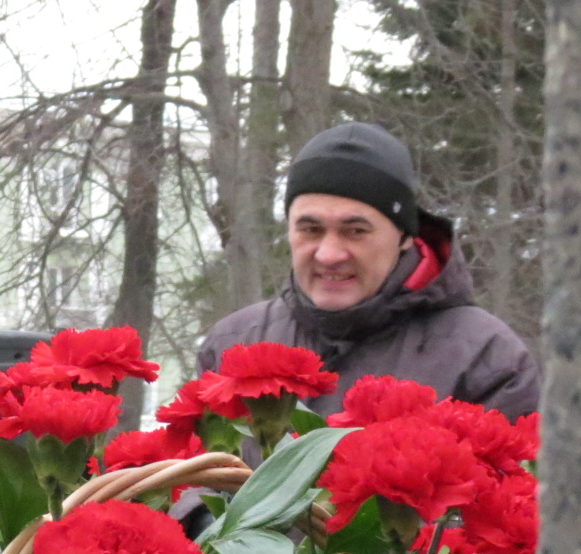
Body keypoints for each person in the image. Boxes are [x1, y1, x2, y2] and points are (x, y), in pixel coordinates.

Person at [199, 121, 540, 418]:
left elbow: (516, 489)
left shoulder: (487, 359)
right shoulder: (233, 345)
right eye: (311, 229)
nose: (329, 254)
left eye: (356, 231)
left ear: (404, 235)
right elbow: (188, 483)